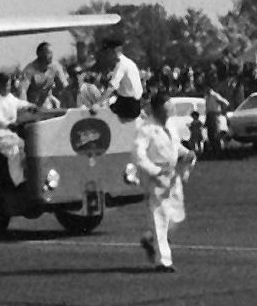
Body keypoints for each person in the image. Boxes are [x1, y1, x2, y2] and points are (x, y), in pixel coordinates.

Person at [133, 92, 195, 272]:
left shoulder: (171, 126)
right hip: (155, 178)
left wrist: (186, 153)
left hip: (172, 176)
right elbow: (139, 156)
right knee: (159, 217)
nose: (169, 113)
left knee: (176, 216)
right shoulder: (146, 129)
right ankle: (163, 262)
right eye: (167, 109)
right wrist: (155, 172)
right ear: (157, 109)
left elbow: (175, 146)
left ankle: (150, 238)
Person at [0, 72, 35, 186]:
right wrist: (7, 124)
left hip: (8, 133)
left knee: (24, 146)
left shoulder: (9, 97)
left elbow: (20, 103)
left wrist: (30, 106)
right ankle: (19, 182)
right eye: (5, 85)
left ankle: (26, 176)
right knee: (14, 150)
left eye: (9, 85)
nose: (7, 88)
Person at [96, 38, 144, 121]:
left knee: (104, 116)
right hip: (125, 100)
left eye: (107, 52)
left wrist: (97, 104)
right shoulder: (125, 62)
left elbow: (111, 87)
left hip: (130, 105)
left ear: (114, 51)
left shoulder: (122, 64)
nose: (106, 55)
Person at [21, 41, 69, 108]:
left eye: (52, 53)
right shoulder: (29, 70)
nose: (51, 56)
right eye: (49, 53)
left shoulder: (55, 66)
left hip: (48, 104)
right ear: (39, 54)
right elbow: (22, 91)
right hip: (33, 106)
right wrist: (26, 108)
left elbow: (65, 86)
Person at [203, 83, 231, 157]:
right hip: (209, 116)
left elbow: (225, 103)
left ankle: (218, 152)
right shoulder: (206, 97)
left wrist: (222, 111)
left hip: (215, 115)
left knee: (216, 135)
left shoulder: (215, 95)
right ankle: (213, 151)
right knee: (210, 135)